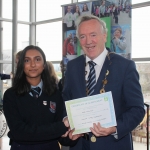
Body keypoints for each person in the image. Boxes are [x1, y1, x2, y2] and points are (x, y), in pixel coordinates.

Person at [62, 15, 145, 150]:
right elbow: (65, 99)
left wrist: (115, 128)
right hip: (80, 145)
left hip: (112, 145)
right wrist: (67, 119)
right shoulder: (72, 67)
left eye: (93, 35)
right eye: (82, 36)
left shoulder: (125, 67)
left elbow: (137, 109)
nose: (88, 41)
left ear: (104, 36)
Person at [3, 45, 80, 150]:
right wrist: (61, 127)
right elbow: (20, 132)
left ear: (44, 64)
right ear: (21, 65)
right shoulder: (11, 95)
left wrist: (71, 138)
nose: (33, 64)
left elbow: (61, 137)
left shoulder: (55, 94)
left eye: (37, 59)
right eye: (27, 60)